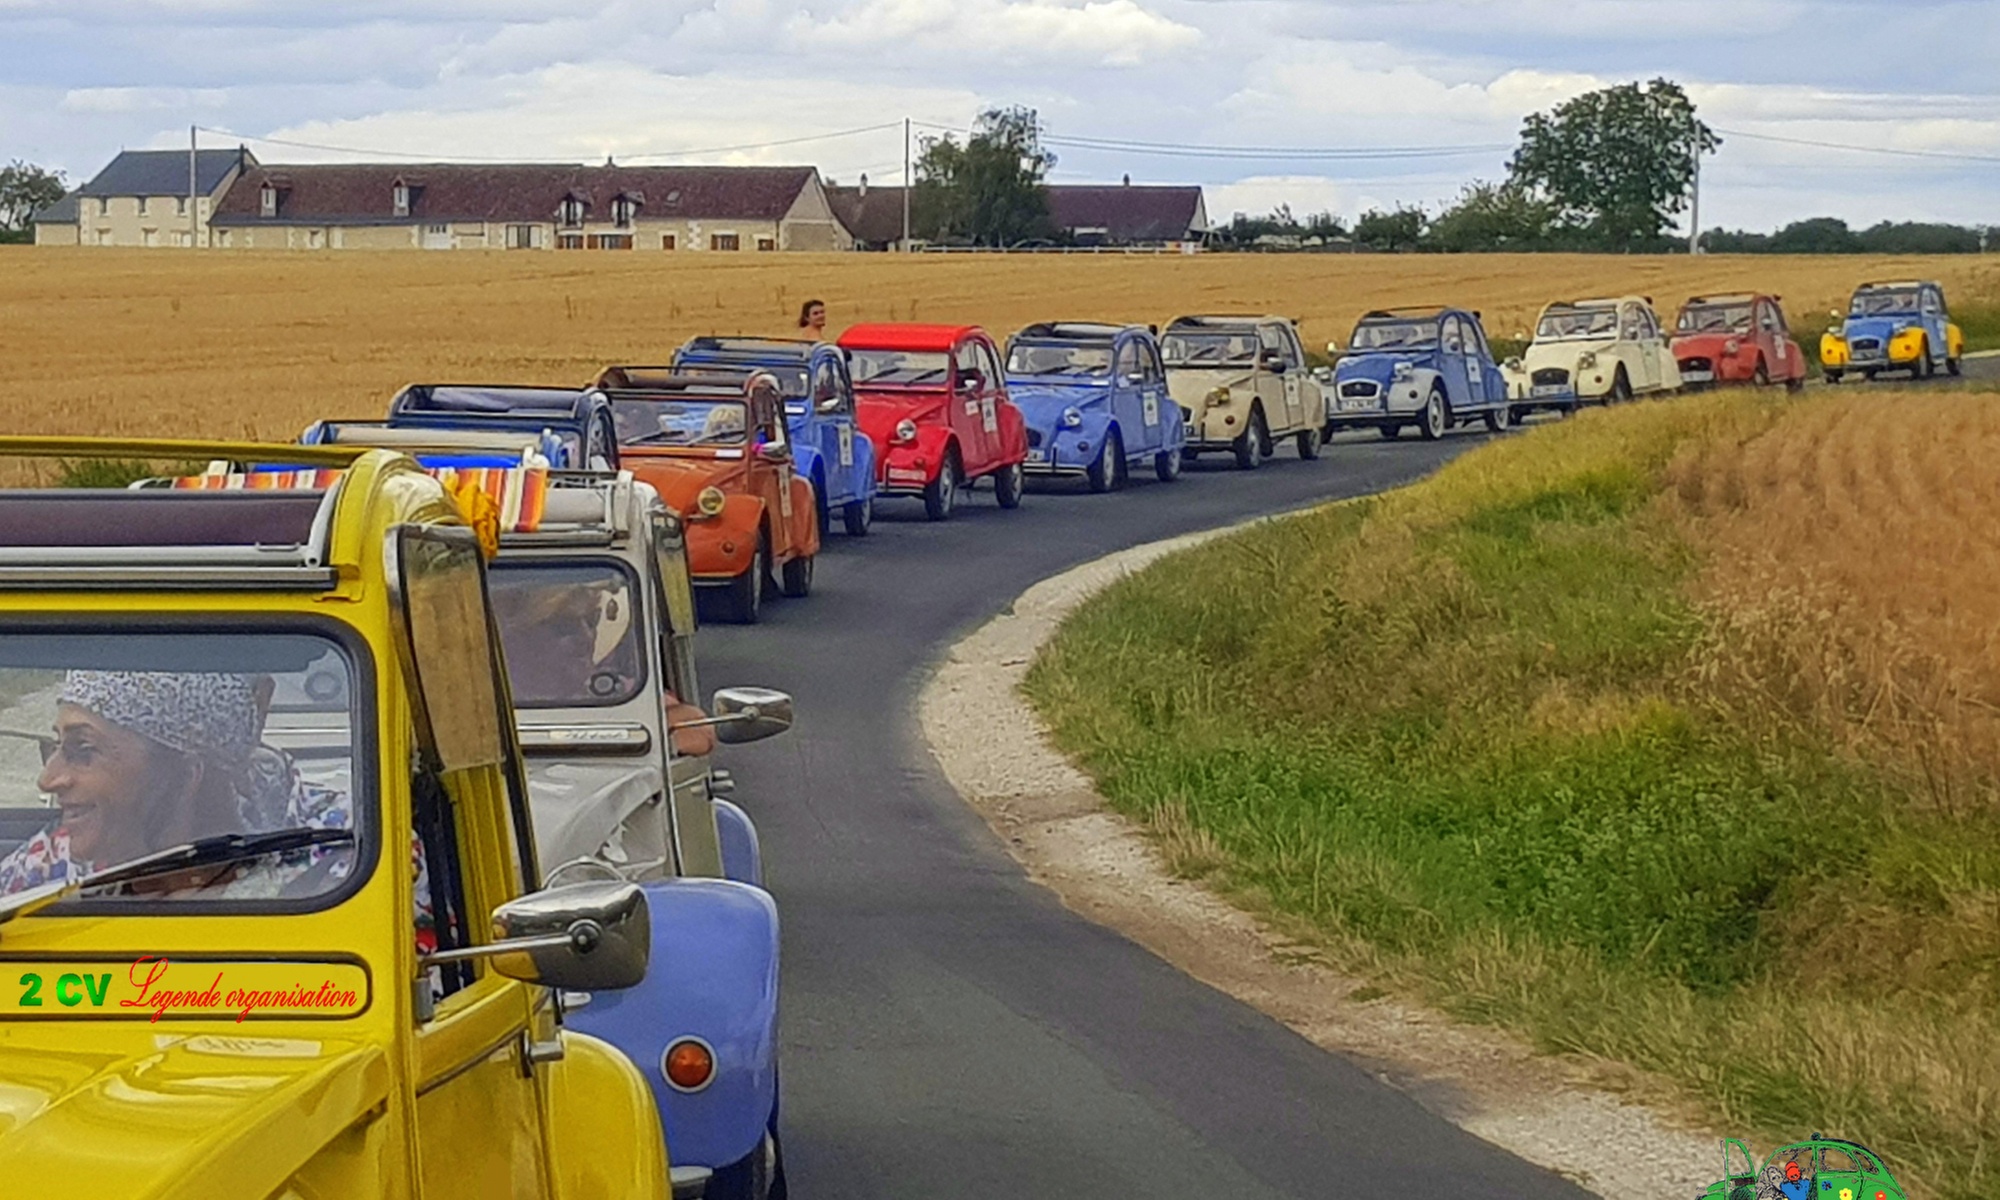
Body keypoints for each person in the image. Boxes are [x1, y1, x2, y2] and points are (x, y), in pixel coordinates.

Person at [0, 670, 350, 897]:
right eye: (54, 747)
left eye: (83, 750)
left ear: (187, 774)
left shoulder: (342, 853)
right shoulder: (48, 866)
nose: (47, 780)